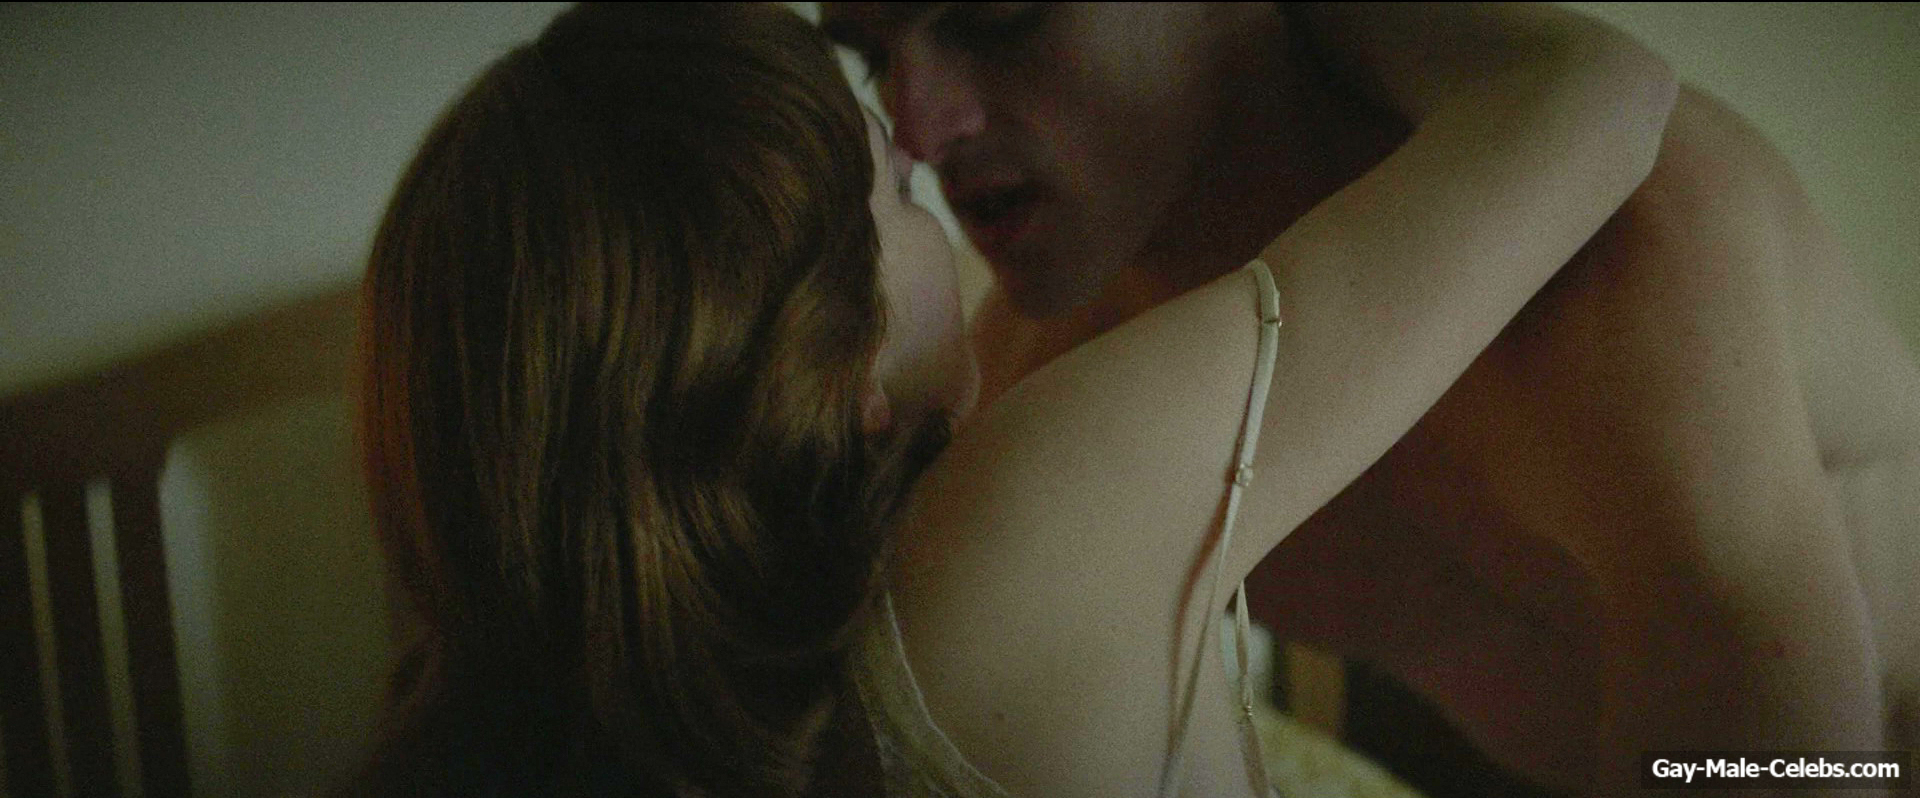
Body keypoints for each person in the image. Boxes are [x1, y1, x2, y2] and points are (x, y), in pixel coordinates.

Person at [347, 2, 1677, 795]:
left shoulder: (575, 702)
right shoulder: (1019, 531)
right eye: (896, 188)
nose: (929, 139)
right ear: (835, 365)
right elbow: (1596, 98)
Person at [821, 1, 1917, 792]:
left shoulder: (1629, 244)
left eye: (1000, 16)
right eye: (872, 56)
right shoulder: (1054, 383)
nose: (915, 128)